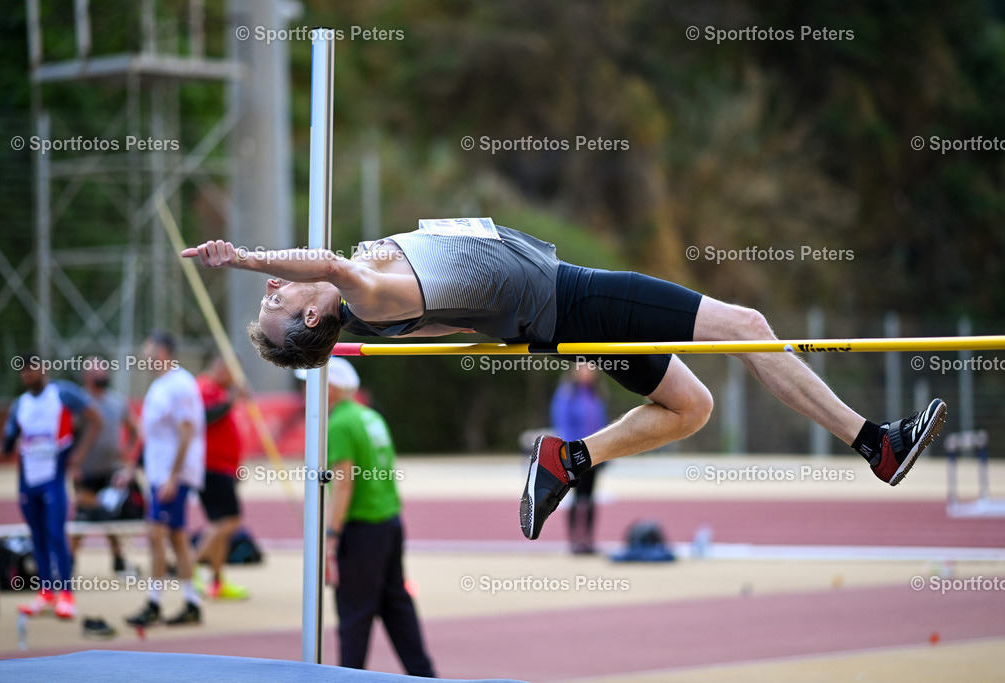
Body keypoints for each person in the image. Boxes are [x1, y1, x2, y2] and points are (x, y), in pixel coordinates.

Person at [182, 217, 949, 540]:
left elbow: (463, 314)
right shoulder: (368, 293)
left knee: (691, 405)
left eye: (270, 291)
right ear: (315, 317)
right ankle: (875, 443)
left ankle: (569, 458)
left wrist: (511, 326)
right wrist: (242, 257)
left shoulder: (371, 291)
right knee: (748, 325)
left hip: (557, 316)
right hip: (575, 299)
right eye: (278, 302)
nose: (274, 288)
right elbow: (323, 262)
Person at [323, 357, 436, 677]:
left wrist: (331, 535)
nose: (308, 395)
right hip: (388, 521)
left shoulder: (340, 424)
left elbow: (343, 484)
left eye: (314, 386)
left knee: (355, 614)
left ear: (331, 388)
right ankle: (425, 675)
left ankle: (349, 677)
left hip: (362, 528)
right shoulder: (370, 416)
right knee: (396, 606)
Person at [2, 352, 103, 619]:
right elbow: (8, 442)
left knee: (56, 533)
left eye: (32, 369)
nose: (27, 374)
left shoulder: (62, 394)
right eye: (23, 370)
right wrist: (0, 443)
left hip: (53, 478)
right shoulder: (19, 405)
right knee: (37, 536)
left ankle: (66, 595)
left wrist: (79, 455)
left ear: (44, 369)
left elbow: (95, 419)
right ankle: (45, 592)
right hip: (28, 480)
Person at [126, 332, 206, 627]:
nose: (143, 356)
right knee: (177, 537)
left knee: (156, 534)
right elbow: (152, 434)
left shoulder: (179, 384)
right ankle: (191, 602)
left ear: (162, 352)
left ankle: (154, 602)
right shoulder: (160, 385)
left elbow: (187, 431)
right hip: (161, 473)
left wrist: (173, 477)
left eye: (147, 350)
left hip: (173, 475)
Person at [70, 359, 141, 574]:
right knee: (82, 517)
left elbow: (135, 428)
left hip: (111, 469)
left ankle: (118, 559)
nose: (102, 374)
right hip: (86, 471)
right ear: (86, 376)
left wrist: (127, 451)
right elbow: (71, 435)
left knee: (111, 516)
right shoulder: (80, 403)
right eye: (96, 371)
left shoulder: (117, 402)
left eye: (104, 369)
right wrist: (74, 464)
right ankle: (69, 562)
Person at [194, 357, 249, 600]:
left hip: (223, 467)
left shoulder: (219, 391)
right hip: (210, 466)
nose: (235, 378)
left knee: (221, 522)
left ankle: (217, 580)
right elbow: (204, 417)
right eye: (232, 372)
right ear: (220, 367)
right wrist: (231, 399)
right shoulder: (204, 387)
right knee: (229, 521)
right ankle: (192, 565)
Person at [551, 364, 609, 554]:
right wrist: (569, 452)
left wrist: (606, 450)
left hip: (595, 453)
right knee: (576, 497)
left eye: (591, 368)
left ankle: (589, 540)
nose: (588, 371)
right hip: (575, 453)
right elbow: (563, 424)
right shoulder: (567, 393)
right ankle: (574, 541)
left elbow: (601, 424)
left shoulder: (596, 393)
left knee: (590, 498)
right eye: (584, 367)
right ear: (575, 370)